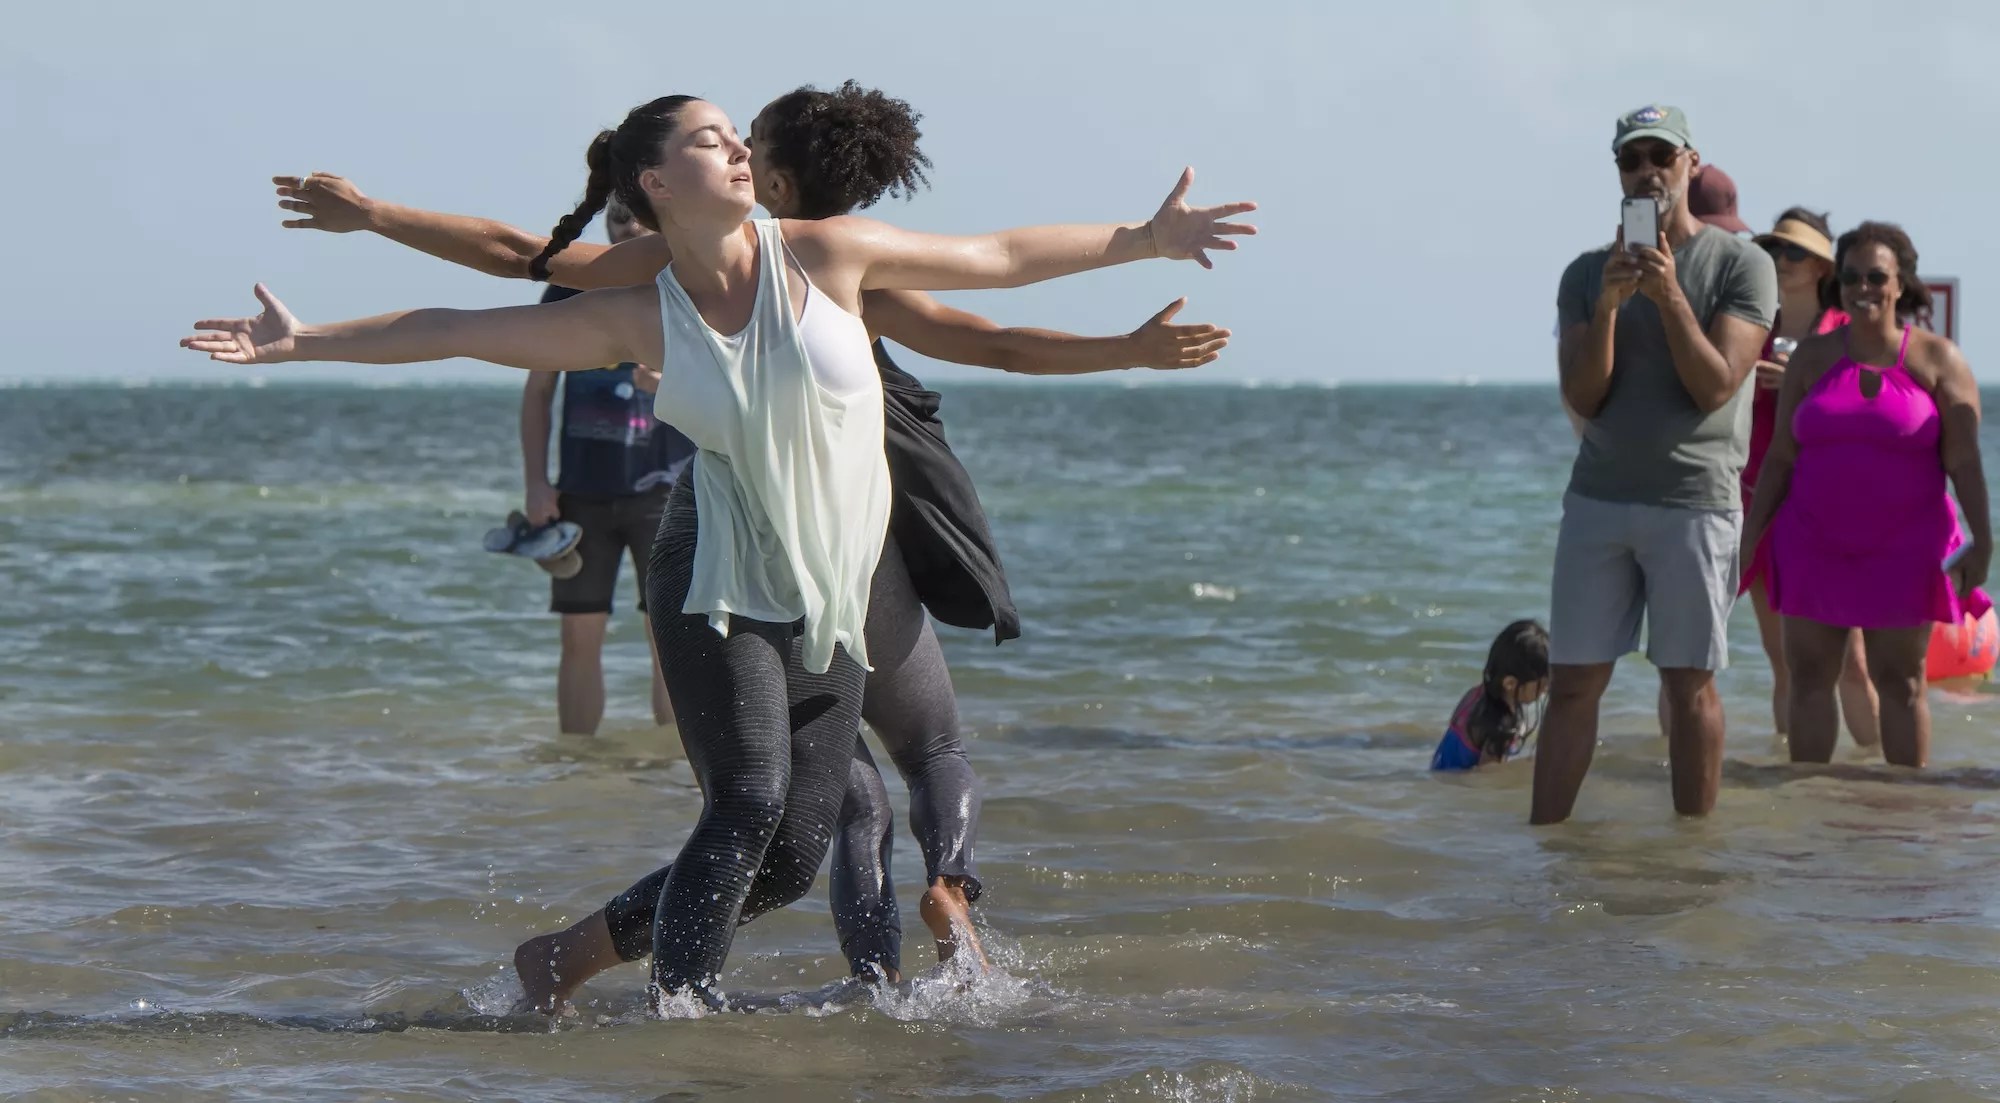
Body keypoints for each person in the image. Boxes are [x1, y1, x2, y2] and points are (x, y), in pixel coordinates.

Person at [186, 93, 1258, 1012]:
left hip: (830, 580)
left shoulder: (828, 253)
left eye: (739, 135)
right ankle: (680, 1014)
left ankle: (561, 956)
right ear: (652, 181)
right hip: (713, 570)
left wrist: (1142, 240)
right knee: (746, 803)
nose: (740, 149)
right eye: (711, 140)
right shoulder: (638, 314)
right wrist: (304, 339)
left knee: (792, 855)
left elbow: (1001, 260)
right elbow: (462, 321)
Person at [1535, 105, 1776, 825]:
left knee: (1689, 686)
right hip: (1600, 497)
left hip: (1695, 500)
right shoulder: (1584, 273)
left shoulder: (1743, 265)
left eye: (1659, 158)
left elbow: (1713, 384)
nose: (1645, 173)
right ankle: (1544, 848)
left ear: (1690, 164)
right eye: (1630, 161)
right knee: (1573, 681)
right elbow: (1584, 394)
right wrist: (1608, 305)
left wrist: (1667, 291)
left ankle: (1691, 853)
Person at [1741, 221, 1991, 768]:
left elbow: (1965, 460)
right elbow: (1781, 456)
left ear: (1901, 283)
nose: (1864, 288)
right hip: (1812, 544)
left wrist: (1983, 541)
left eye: (1877, 276)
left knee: (1900, 683)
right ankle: (1812, 814)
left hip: (1907, 549)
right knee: (1809, 680)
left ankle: (1901, 825)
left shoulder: (1938, 360)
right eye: (1852, 276)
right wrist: (1750, 536)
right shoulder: (1811, 358)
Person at [524, 196, 695, 735]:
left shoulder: (687, 287)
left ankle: (679, 769)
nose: (627, 232)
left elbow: (733, 380)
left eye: (638, 222)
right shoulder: (570, 287)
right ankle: (575, 767)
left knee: (669, 639)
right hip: (582, 492)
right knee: (578, 638)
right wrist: (536, 484)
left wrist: (668, 383)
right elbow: (538, 391)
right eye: (618, 221)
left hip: (668, 493)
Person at [1737, 209, 1878, 750]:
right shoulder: (1753, 323)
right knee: (1786, 664)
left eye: (1794, 252)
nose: (1780, 261)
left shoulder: (1846, 329)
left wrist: (1802, 380)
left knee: (1852, 664)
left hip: (1831, 506)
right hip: (1763, 502)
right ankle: (1794, 787)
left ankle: (1878, 779)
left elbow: (1874, 403)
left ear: (1823, 265)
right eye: (1773, 250)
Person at [1431, 620, 1549, 771]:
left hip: (1438, 772)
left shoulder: (1475, 694)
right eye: (1540, 686)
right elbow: (1487, 778)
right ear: (1510, 684)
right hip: (1455, 785)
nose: (1544, 691)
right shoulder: (1502, 729)